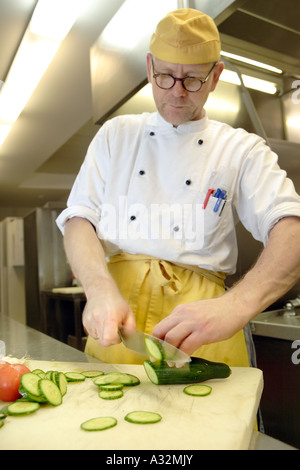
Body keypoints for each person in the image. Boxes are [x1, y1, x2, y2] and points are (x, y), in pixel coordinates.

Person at [56, 9, 300, 367]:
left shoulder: (241, 148)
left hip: (204, 333)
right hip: (119, 325)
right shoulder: (115, 135)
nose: (177, 92)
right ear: (149, 65)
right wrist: (98, 289)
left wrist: (237, 305)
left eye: (193, 80)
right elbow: (79, 220)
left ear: (215, 76)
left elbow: (292, 230)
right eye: (165, 76)